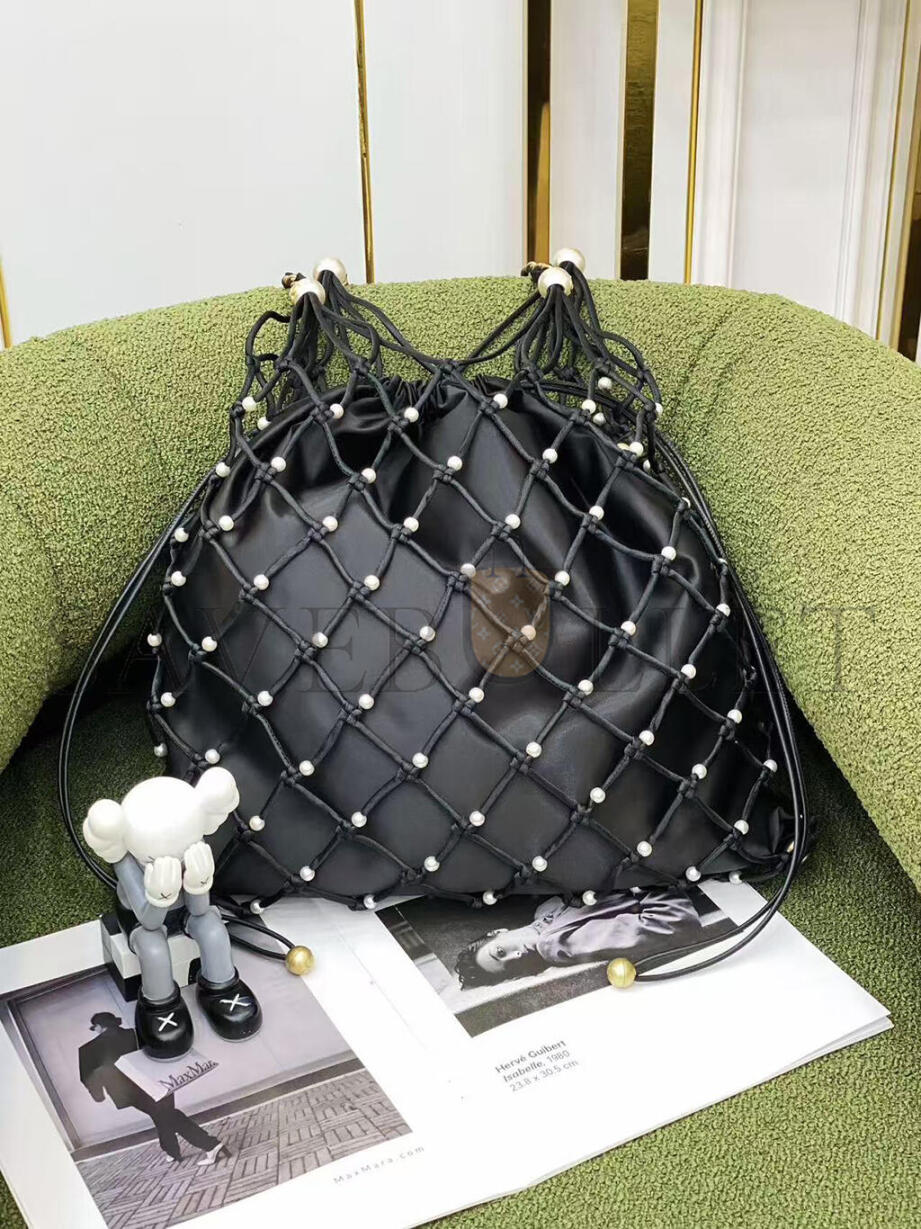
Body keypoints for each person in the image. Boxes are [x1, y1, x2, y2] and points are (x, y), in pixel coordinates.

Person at [455, 886, 704, 988]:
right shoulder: (554, 945)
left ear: (498, 933)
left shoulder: (545, 909)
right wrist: (642, 879)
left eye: (500, 952)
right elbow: (674, 920)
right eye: (511, 966)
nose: (518, 954)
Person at [78, 1011, 226, 1165]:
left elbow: (88, 1077)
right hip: (159, 1081)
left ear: (99, 1026)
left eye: (94, 1028)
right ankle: (172, 1150)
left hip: (130, 1092)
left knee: (166, 1115)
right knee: (163, 1115)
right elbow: (161, 1051)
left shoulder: (89, 1049)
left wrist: (98, 1095)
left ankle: (210, 1145)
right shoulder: (137, 1034)